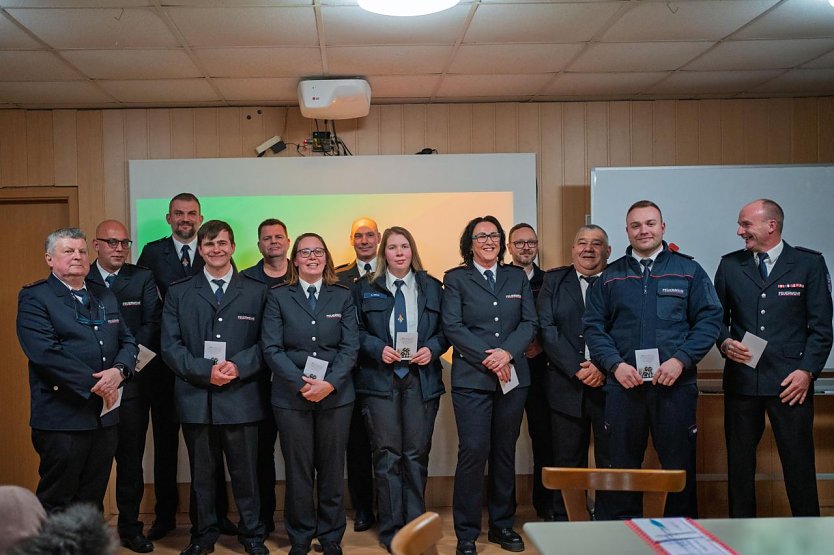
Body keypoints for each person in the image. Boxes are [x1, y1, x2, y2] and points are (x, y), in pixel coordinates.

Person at [583, 200, 722, 519]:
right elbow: (593, 327)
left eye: (650, 223)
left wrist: (681, 360)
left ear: (662, 227)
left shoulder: (689, 271)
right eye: (635, 225)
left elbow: (709, 320)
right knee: (621, 467)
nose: (643, 230)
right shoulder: (610, 276)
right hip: (623, 388)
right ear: (627, 231)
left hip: (675, 387)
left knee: (678, 468)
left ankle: (681, 536)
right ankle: (621, 537)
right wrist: (615, 365)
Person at [714, 198, 833, 517]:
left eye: (746, 224)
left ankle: (810, 536)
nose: (740, 231)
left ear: (772, 225)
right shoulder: (729, 265)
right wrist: (725, 343)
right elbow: (714, 320)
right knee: (739, 469)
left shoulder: (808, 264)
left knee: (799, 467)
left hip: (790, 384)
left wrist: (807, 372)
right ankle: (739, 534)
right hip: (742, 383)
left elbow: (821, 328)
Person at [161, 220, 269, 555]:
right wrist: (205, 371)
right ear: (200, 249)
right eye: (209, 245)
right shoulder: (179, 292)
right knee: (202, 477)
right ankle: (203, 536)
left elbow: (268, 343)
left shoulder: (256, 290)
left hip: (242, 397)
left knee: (246, 475)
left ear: (233, 247)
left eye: (222, 243)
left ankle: (252, 536)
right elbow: (170, 346)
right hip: (196, 398)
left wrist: (238, 366)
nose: (216, 250)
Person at [16, 227, 137, 513]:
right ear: (49, 258)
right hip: (63, 417)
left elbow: (128, 340)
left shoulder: (103, 295)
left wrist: (120, 370)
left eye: (82, 251)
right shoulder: (36, 297)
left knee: (92, 499)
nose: (77, 257)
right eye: (68, 251)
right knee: (59, 498)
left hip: (103, 418)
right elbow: (46, 354)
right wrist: (100, 384)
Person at [137, 192, 235, 539]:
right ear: (169, 218)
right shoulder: (152, 252)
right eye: (179, 214)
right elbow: (149, 305)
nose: (185, 219)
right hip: (167, 366)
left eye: (191, 213)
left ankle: (213, 516)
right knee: (165, 444)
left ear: (200, 217)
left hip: (213, 366)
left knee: (213, 443)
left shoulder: (214, 250)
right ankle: (165, 515)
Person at [442, 216, 537, 555]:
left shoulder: (516, 276)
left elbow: (530, 322)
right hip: (472, 380)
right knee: (473, 452)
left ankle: (501, 526)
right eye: (481, 236)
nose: (489, 240)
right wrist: (491, 357)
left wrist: (508, 353)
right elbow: (452, 326)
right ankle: (466, 533)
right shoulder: (455, 278)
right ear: (470, 243)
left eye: (494, 235)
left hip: (513, 378)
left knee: (503, 453)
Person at [262, 233, 359, 555]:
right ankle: (300, 537)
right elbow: (272, 348)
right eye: (305, 252)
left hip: (336, 395)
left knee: (332, 469)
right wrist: (301, 383)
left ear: (326, 257)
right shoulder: (278, 296)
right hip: (291, 398)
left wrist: (329, 383)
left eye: (318, 251)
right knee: (298, 470)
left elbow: (350, 346)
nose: (312, 257)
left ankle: (331, 536)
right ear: (295, 259)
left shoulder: (342, 295)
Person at [353, 226, 448, 550]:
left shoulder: (433, 287)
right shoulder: (365, 288)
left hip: (420, 381)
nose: (398, 252)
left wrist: (432, 349)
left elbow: (446, 331)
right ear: (384, 253)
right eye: (392, 247)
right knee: (388, 455)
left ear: (412, 250)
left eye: (404, 246)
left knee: (415, 455)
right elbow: (355, 331)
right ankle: (392, 530)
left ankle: (415, 527)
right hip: (380, 381)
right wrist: (377, 347)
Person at [85, 220, 160, 553]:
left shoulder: (141, 277)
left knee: (130, 463)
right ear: (96, 244)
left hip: (131, 385)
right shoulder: (78, 278)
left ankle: (131, 529)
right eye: (111, 242)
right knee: (93, 466)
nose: (118, 249)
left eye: (124, 243)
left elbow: (151, 327)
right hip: (92, 387)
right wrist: (102, 375)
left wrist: (123, 370)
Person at [537, 224, 612, 521]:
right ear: (572, 249)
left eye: (596, 243)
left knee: (610, 459)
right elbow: (547, 329)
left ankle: (608, 518)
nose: (588, 249)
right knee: (567, 460)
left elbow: (627, 328)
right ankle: (565, 519)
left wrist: (603, 366)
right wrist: (577, 369)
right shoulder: (555, 281)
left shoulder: (619, 280)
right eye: (582, 242)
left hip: (610, 384)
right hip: (566, 385)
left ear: (608, 251)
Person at [241, 218, 292, 535]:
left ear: (288, 241)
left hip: (295, 381)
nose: (273, 242)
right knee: (260, 454)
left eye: (278, 237)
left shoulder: (302, 274)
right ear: (259, 245)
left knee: (297, 454)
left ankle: (299, 518)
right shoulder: (246, 279)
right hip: (256, 381)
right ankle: (263, 518)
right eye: (266, 238)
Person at [335, 217, 380, 532]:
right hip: (351, 378)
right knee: (358, 447)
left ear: (378, 237)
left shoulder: (393, 270)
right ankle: (364, 508)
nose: (364, 240)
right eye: (358, 236)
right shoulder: (338, 277)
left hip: (385, 373)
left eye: (369, 235)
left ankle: (392, 507)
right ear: (351, 240)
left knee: (388, 447)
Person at [506, 223, 553, 521]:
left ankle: (546, 506)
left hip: (543, 371)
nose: (526, 247)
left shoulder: (551, 281)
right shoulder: (500, 279)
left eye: (531, 242)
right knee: (503, 441)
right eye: (519, 243)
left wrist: (542, 347)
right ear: (509, 247)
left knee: (545, 440)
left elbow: (556, 322)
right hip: (507, 368)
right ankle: (504, 511)